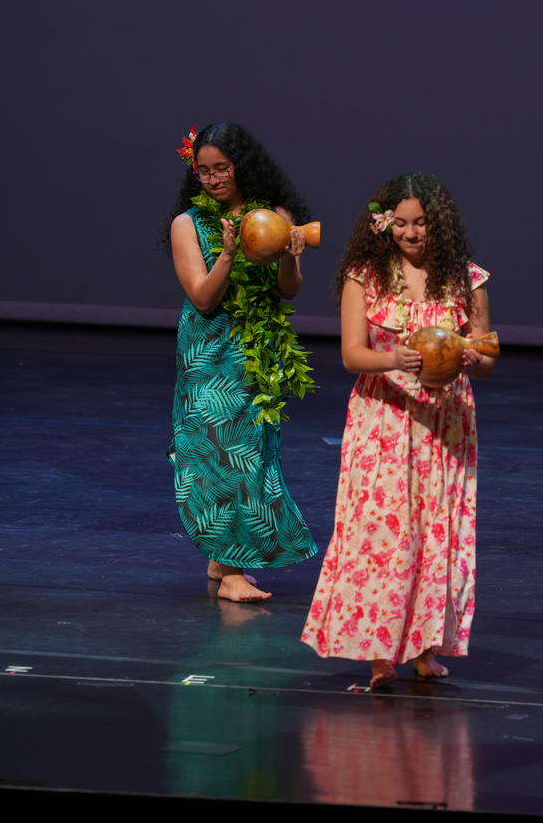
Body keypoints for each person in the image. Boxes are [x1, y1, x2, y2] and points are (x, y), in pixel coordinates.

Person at [301, 173, 494, 687]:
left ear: (439, 223)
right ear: (384, 223)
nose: (411, 234)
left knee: (437, 533)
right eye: (402, 224)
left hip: (445, 422)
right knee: (385, 535)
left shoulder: (464, 279)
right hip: (384, 420)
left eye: (422, 224)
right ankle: (381, 653)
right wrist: (394, 358)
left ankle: (427, 648)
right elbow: (351, 354)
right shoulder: (364, 276)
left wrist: (472, 356)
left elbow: (489, 355)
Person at [168, 122, 318, 602]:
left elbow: (287, 290)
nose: (211, 179)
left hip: (258, 350)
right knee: (215, 452)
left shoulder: (274, 217)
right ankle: (231, 570)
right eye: (203, 170)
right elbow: (204, 297)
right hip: (208, 351)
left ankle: (223, 557)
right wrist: (228, 256)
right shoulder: (187, 224)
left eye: (222, 169)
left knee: (250, 448)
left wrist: (292, 258)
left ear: (242, 166)